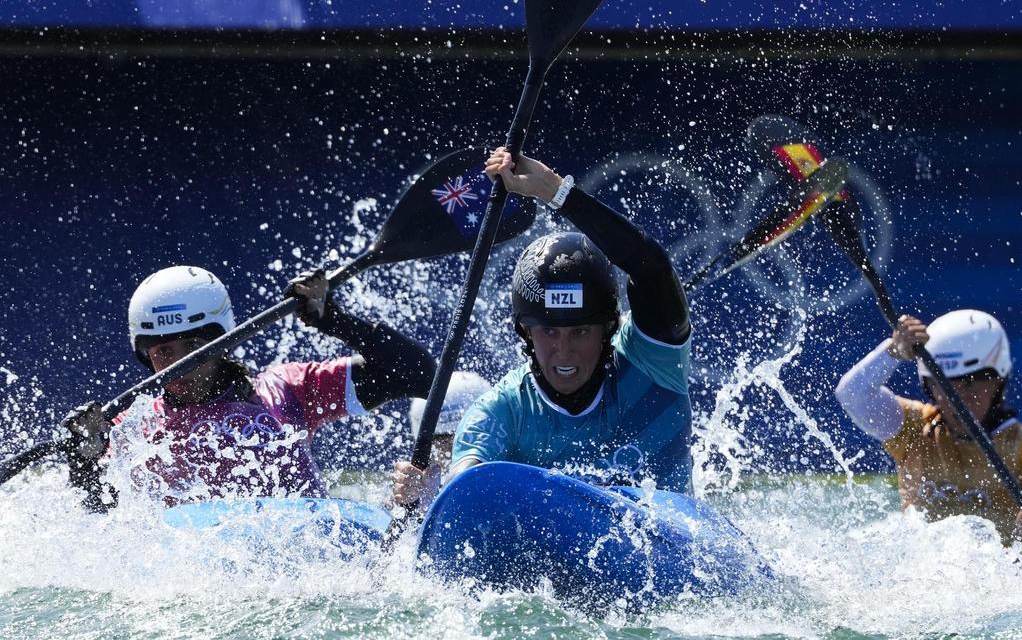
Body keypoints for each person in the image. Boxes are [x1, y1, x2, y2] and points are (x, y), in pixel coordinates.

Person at [399, 147, 693, 505]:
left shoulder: (652, 363)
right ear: (525, 332)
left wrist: (555, 191)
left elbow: (651, 268)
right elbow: (467, 485)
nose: (564, 350)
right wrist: (431, 501)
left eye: (581, 331)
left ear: (608, 329)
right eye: (549, 331)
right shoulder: (501, 411)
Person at [61, 265, 435, 511]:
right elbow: (102, 527)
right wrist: (83, 460)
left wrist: (332, 319)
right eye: (161, 351)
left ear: (222, 342)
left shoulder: (288, 389)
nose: (177, 364)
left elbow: (419, 374)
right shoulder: (131, 429)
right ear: (144, 355)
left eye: (193, 346)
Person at [835, 309, 1022, 545]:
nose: (959, 398)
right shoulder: (914, 428)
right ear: (929, 387)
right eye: (947, 386)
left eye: (972, 384)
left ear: (998, 383)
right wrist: (892, 352)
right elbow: (853, 396)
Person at [390, 371, 492, 513]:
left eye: (465, 439)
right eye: (441, 442)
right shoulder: (415, 490)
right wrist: (407, 503)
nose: (454, 452)